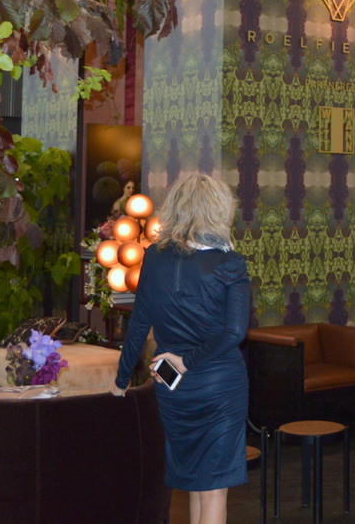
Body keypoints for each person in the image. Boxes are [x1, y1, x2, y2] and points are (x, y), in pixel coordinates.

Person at [111, 173, 249, 524]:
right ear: (219, 209)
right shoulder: (229, 263)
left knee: (193, 483)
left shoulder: (154, 257)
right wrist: (188, 360)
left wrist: (121, 380)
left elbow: (138, 324)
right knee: (213, 488)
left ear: (174, 208)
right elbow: (234, 332)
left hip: (172, 386)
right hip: (219, 384)